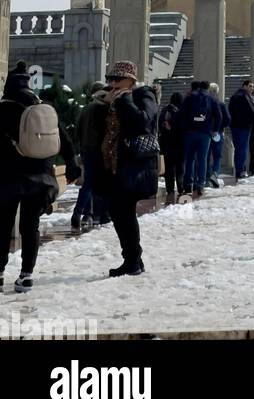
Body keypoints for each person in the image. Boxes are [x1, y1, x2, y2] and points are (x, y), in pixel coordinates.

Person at [0, 61, 80, 293]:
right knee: (30, 226)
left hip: (8, 178)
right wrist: (72, 166)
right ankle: (26, 275)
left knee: (3, 226)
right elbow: (64, 140)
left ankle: (0, 272)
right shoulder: (43, 108)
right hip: (41, 178)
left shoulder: (3, 109)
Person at [90, 60, 159, 277]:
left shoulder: (142, 95)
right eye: (110, 80)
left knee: (124, 212)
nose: (113, 84)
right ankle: (133, 259)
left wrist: (124, 100)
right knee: (119, 213)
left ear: (131, 79)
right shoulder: (111, 99)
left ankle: (132, 260)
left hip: (131, 165)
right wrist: (102, 104)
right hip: (111, 164)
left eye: (117, 79)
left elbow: (144, 121)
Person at [72, 84, 111, 225]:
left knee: (88, 183)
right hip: (98, 151)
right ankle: (96, 215)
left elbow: (77, 131)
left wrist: (81, 148)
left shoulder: (86, 108)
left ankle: (80, 212)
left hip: (86, 150)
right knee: (99, 184)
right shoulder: (103, 108)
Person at [179, 80, 220, 197]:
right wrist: (215, 130)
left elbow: (181, 114)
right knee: (202, 159)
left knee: (190, 159)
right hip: (205, 134)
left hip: (190, 133)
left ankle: (188, 185)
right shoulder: (212, 99)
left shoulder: (190, 97)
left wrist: (185, 128)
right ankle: (200, 184)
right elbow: (219, 116)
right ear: (208, 88)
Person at [229, 80, 254, 180]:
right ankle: (241, 171)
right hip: (244, 126)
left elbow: (230, 110)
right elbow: (253, 109)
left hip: (234, 126)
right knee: (243, 149)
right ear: (244, 86)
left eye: (252, 86)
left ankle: (239, 170)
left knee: (238, 149)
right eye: (250, 86)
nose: (252, 88)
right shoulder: (245, 96)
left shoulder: (234, 96)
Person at [157, 89, 184, 200]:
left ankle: (170, 189)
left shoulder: (164, 110)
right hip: (178, 144)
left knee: (169, 169)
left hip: (166, 144)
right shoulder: (179, 112)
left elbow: (160, 126)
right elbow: (181, 128)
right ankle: (181, 188)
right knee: (180, 168)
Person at [208, 83, 231, 188]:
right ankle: (215, 173)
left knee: (207, 155)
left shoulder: (206, 103)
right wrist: (221, 127)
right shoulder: (220, 104)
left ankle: (207, 176)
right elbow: (227, 119)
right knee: (217, 155)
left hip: (207, 133)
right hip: (218, 133)